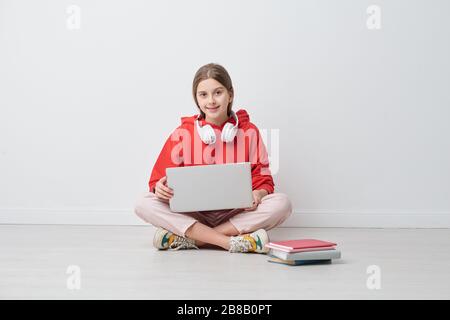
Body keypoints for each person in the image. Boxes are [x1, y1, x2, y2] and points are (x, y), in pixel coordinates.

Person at [134, 63, 292, 253]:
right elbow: (157, 180)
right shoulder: (182, 133)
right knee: (143, 202)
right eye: (203, 95)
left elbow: (264, 180)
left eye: (218, 92)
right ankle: (229, 242)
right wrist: (159, 188)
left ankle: (195, 239)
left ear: (230, 94)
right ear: (196, 99)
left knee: (282, 203)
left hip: (236, 214)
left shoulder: (249, 131)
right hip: (194, 214)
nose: (211, 100)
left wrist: (258, 194)